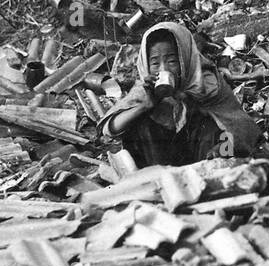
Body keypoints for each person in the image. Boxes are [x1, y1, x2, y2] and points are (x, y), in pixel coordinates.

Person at [99, 21, 260, 166]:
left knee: (213, 128)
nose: (164, 69)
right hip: (161, 165)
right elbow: (110, 129)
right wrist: (146, 105)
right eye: (155, 63)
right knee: (141, 124)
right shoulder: (146, 87)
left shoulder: (208, 84)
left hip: (204, 164)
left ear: (185, 59)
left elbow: (241, 128)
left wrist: (222, 151)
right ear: (146, 64)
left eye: (172, 61)